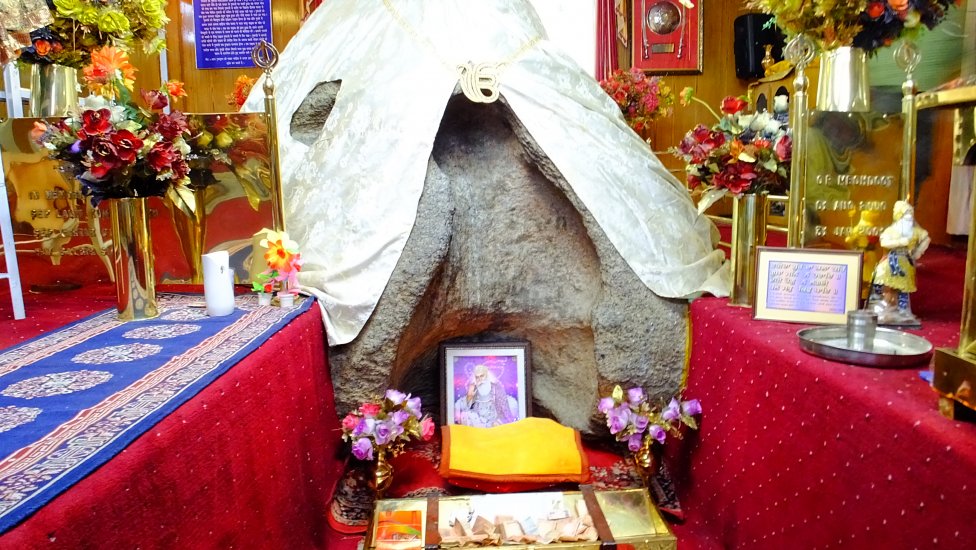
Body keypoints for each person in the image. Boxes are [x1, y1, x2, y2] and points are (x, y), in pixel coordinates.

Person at [867, 201, 930, 326]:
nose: (908, 217)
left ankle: (902, 309)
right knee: (878, 276)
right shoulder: (891, 230)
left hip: (905, 261)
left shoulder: (915, 231)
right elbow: (884, 242)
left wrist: (918, 252)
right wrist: (900, 242)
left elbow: (926, 238)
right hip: (891, 260)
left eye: (910, 214)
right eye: (905, 214)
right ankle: (877, 299)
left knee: (903, 287)